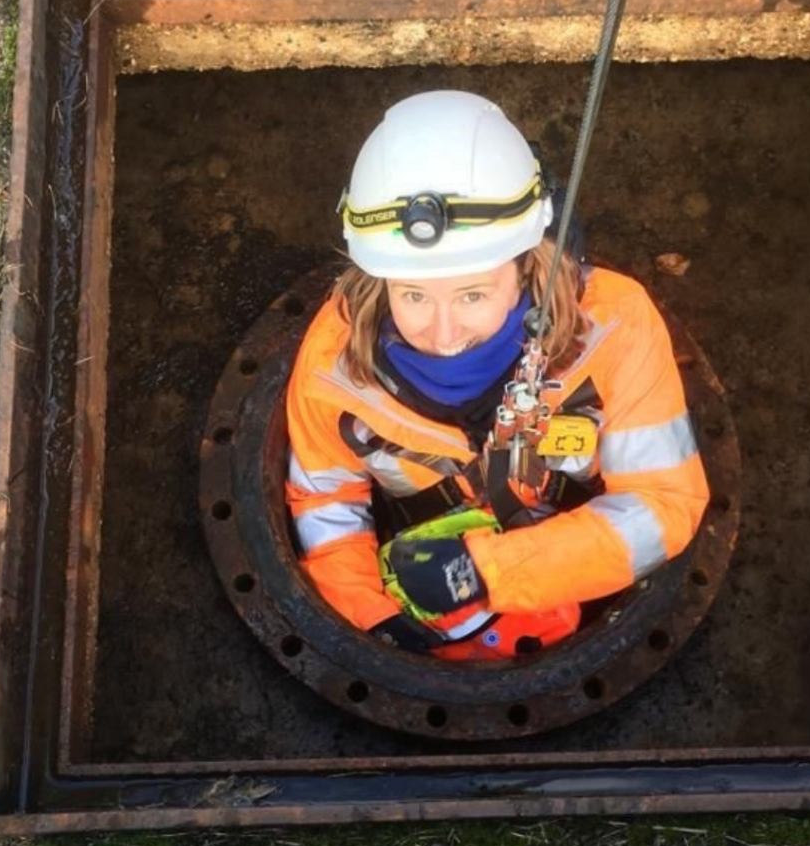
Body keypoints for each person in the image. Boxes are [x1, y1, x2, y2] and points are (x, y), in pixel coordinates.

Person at [286, 90, 709, 660]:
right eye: (413, 294)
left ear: (527, 260)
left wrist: (484, 572)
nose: (442, 333)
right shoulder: (332, 366)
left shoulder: (613, 327)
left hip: (535, 553)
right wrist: (374, 620)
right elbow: (325, 504)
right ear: (377, 277)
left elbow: (663, 505)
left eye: (472, 294)